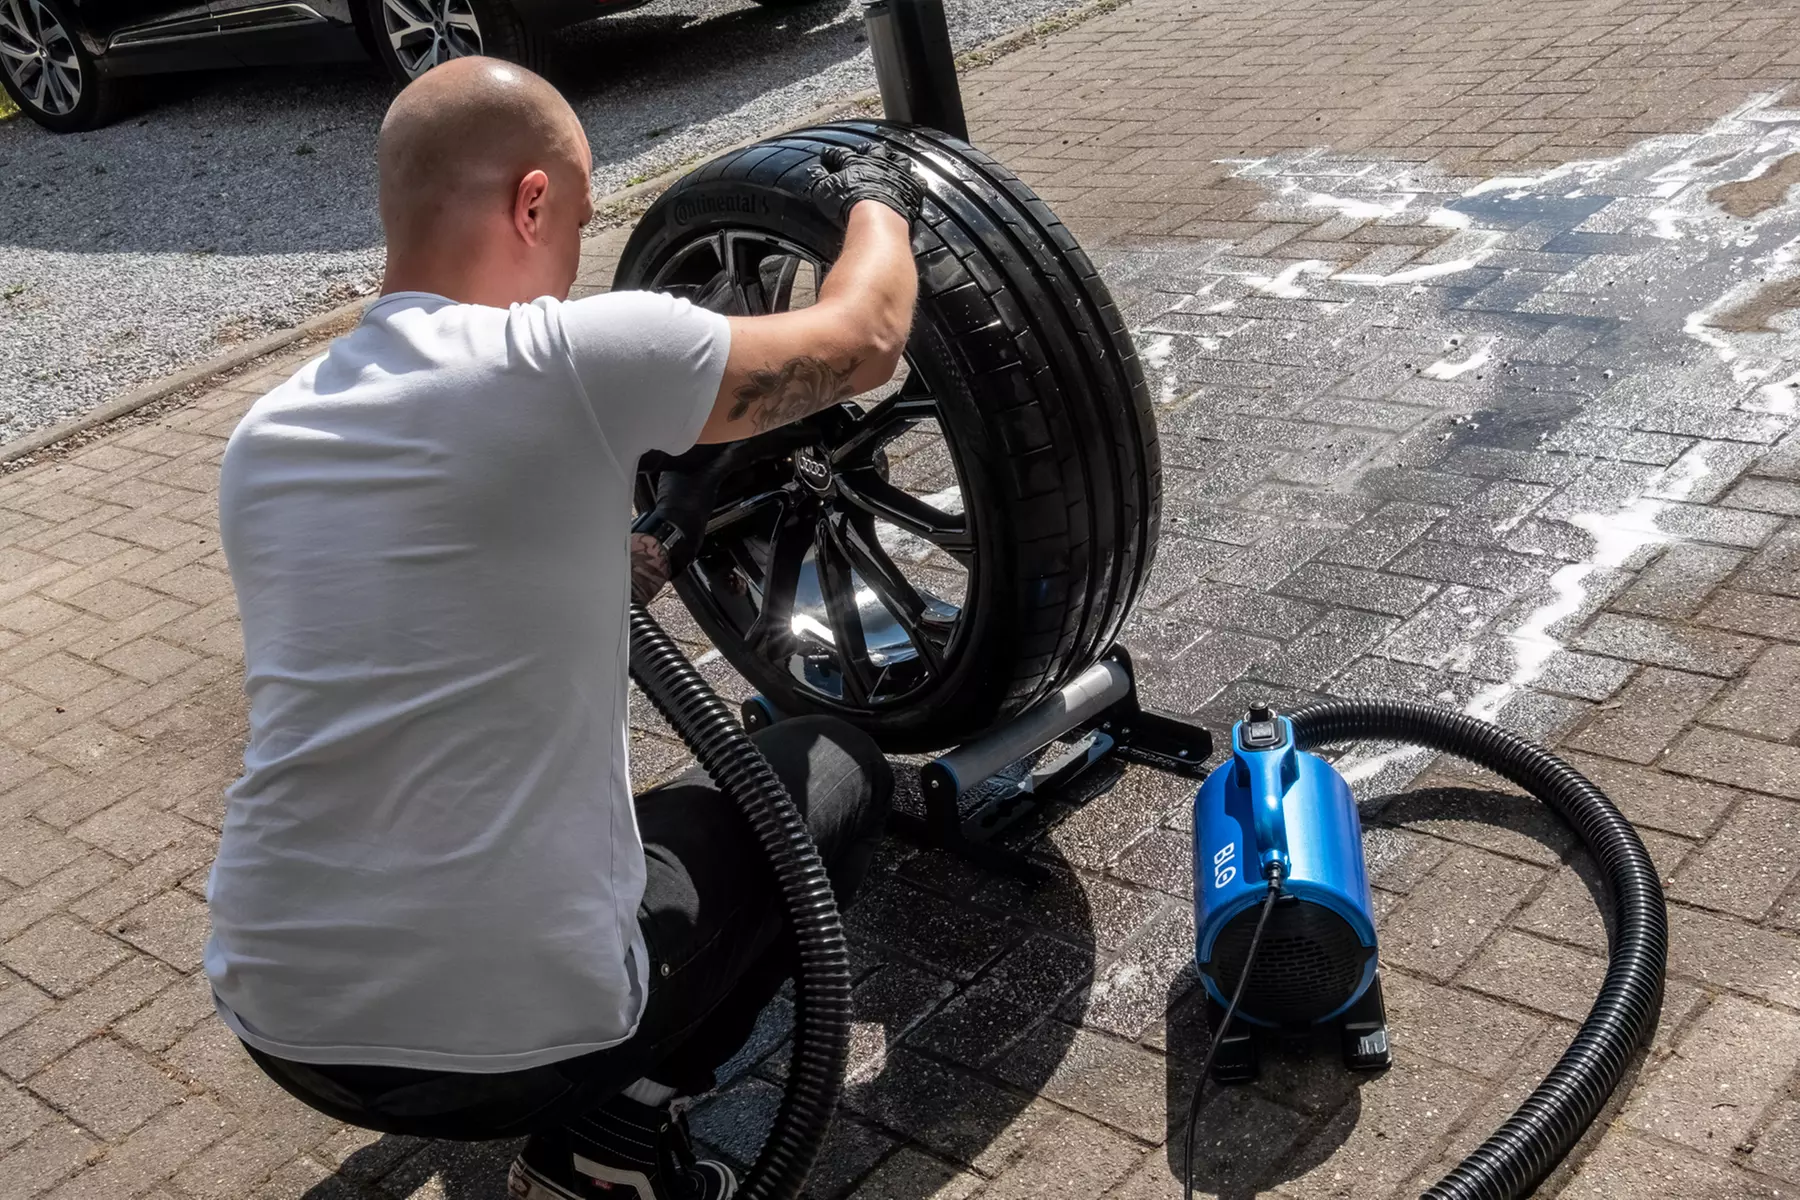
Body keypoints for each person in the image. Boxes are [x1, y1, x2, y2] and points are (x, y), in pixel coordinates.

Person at [206, 57, 922, 1200]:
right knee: (832, 775)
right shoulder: (567, 358)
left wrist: (596, 570)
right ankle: (606, 1143)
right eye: (581, 220)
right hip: (521, 1044)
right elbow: (865, 339)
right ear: (532, 203)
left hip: (278, 1017)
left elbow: (418, 605)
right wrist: (885, 192)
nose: (580, 254)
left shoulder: (267, 436)